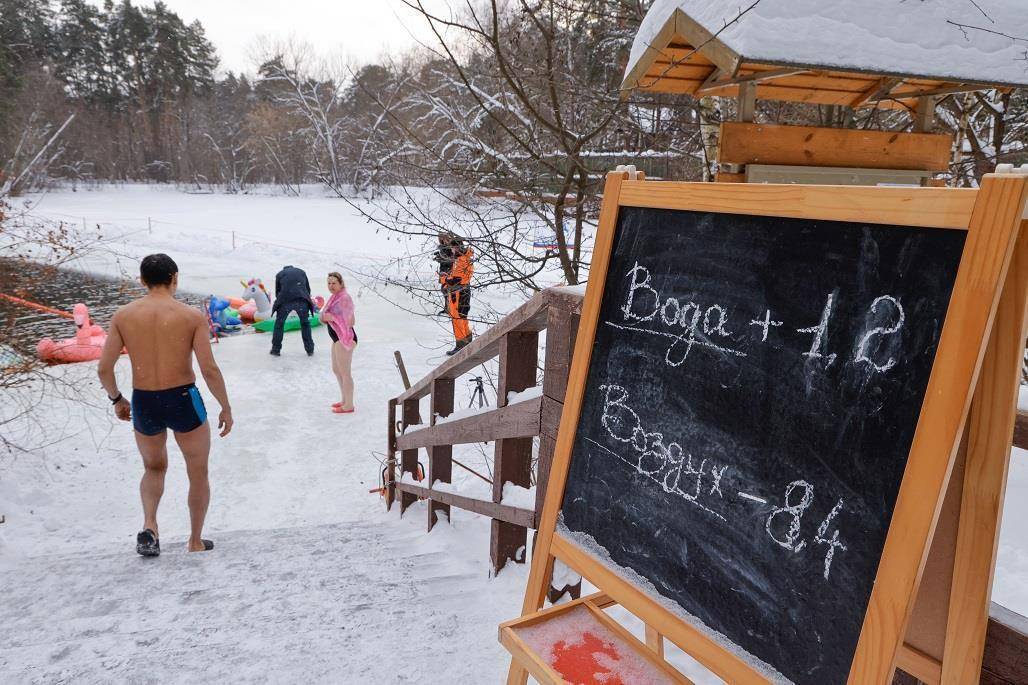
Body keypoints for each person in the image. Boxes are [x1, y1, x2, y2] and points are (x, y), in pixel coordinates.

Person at [97, 253, 233, 557]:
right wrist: (225, 406)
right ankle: (195, 540)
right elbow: (208, 368)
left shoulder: (124, 315)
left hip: (145, 399)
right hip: (183, 398)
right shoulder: (190, 316)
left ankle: (150, 528)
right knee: (197, 471)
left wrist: (117, 399)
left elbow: (104, 369)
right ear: (175, 278)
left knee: (153, 467)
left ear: (143, 280)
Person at [320, 272, 357, 413]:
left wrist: (331, 317)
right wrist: (325, 317)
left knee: (345, 372)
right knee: (337, 370)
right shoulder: (334, 298)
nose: (331, 286)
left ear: (341, 284)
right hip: (336, 338)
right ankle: (344, 400)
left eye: (334, 283)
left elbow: (351, 321)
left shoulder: (344, 298)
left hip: (345, 337)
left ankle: (349, 405)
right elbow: (324, 316)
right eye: (329, 283)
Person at [438, 234, 473, 356]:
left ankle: (461, 344)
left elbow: (454, 279)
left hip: (458, 292)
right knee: (462, 316)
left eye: (453, 248)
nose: (451, 251)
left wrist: (443, 278)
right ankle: (467, 339)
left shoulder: (461, 260)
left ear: (457, 248)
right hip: (464, 290)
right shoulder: (464, 258)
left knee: (457, 318)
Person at [270, 264, 315, 357]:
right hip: (302, 299)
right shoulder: (301, 272)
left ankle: (276, 349)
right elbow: (307, 289)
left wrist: (279, 304)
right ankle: (310, 349)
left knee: (279, 324)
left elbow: (277, 292)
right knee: (305, 323)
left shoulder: (280, 274)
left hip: (285, 300)